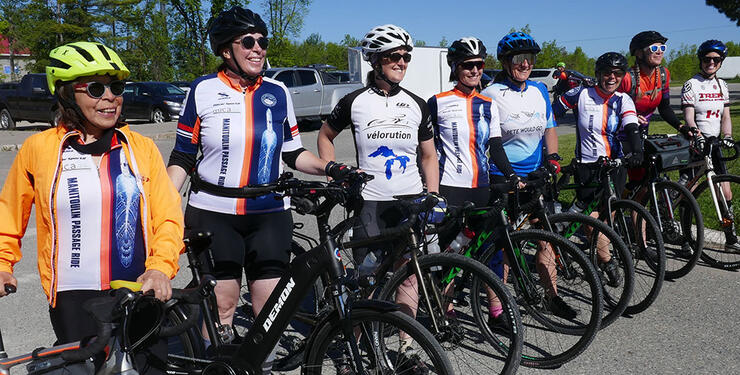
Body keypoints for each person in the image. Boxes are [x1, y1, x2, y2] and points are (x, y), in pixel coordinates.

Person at [165, 6, 351, 367]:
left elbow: (294, 153)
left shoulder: (278, 92)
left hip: (268, 213)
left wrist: (332, 167)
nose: (258, 48)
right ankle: (215, 364)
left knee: (270, 317)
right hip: (214, 214)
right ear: (225, 50)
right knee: (224, 304)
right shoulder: (202, 90)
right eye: (248, 41)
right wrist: (163, 201)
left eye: (263, 41)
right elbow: (184, 155)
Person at [0, 41, 183, 374]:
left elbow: (168, 215)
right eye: (96, 88)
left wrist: (160, 266)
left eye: (116, 87)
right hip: (74, 295)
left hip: (139, 286)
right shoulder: (38, 149)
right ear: (67, 93)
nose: (110, 97)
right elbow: (8, 214)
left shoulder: (140, 147)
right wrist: (2, 262)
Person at [317, 24, 440, 371]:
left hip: (411, 199)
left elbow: (429, 156)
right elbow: (325, 136)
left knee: (409, 275)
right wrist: (334, 170)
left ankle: (406, 346)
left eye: (406, 56)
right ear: (375, 59)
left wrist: (434, 195)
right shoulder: (354, 102)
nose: (402, 62)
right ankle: (353, 349)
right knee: (367, 279)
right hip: (370, 202)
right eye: (394, 56)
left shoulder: (416, 104)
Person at [481, 32, 576, 320]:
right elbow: (488, 140)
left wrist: (553, 159)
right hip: (503, 176)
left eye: (530, 59)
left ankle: (552, 296)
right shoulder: (491, 94)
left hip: (535, 175)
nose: (525, 64)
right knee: (504, 246)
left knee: (546, 239)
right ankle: (498, 308)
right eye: (519, 59)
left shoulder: (538, 91)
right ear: (506, 62)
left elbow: (549, 127)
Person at [429, 36, 517, 330]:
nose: (475, 70)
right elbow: (425, 150)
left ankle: (495, 310)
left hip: (482, 187)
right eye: (468, 65)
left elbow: (496, 146)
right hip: (451, 187)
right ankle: (446, 307)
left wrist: (512, 175)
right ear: (455, 67)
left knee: (490, 248)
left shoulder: (488, 104)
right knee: (452, 253)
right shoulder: (438, 102)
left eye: (479, 65)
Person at [553, 52, 642, 286]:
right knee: (592, 218)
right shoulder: (581, 94)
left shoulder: (623, 100)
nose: (611, 77)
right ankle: (606, 260)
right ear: (598, 74)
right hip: (587, 166)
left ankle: (599, 256)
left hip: (614, 166)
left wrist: (637, 151)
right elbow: (552, 113)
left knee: (607, 216)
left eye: (617, 74)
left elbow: (632, 127)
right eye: (607, 73)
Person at [680, 40, 738, 251]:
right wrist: (697, 134)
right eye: (706, 59)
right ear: (701, 60)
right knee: (691, 190)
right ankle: (686, 238)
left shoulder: (722, 85)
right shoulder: (691, 84)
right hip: (696, 143)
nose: (710, 63)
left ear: (721, 62)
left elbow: (726, 116)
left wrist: (728, 135)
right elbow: (688, 117)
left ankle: (730, 238)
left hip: (715, 143)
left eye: (715, 60)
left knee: (726, 192)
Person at [619, 30, 682, 132]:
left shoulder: (664, 74)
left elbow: (664, 108)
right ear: (639, 53)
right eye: (654, 48)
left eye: (662, 48)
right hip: (621, 135)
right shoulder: (627, 78)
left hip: (642, 133)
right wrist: (630, 117)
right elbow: (611, 110)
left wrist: (681, 127)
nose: (659, 51)